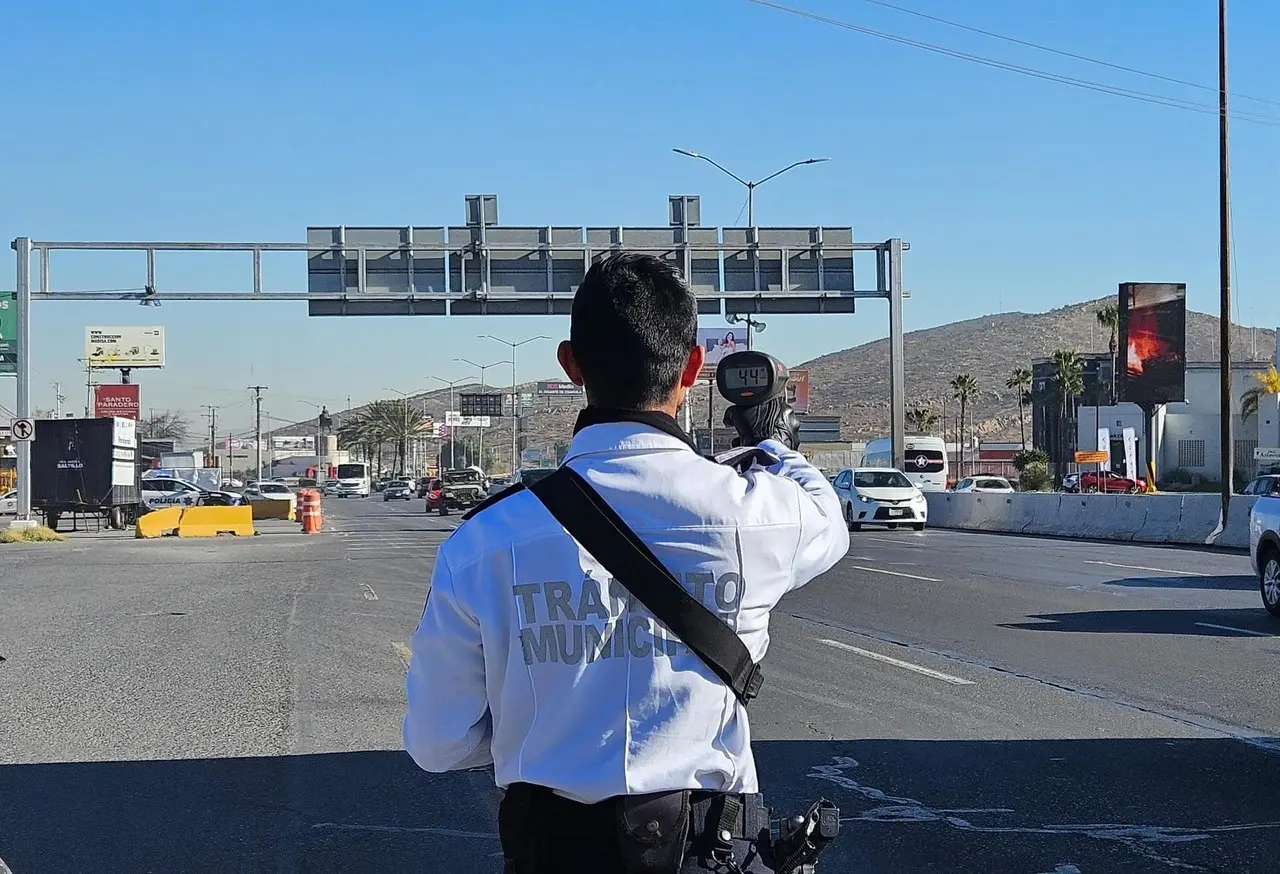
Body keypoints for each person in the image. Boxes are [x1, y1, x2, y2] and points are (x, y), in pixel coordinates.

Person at [403, 252, 850, 872]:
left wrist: (536, 722)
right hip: (708, 852)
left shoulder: (485, 541)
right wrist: (769, 440)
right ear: (693, 366)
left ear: (571, 365)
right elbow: (827, 519)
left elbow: (437, 743)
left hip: (552, 851)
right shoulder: (755, 514)